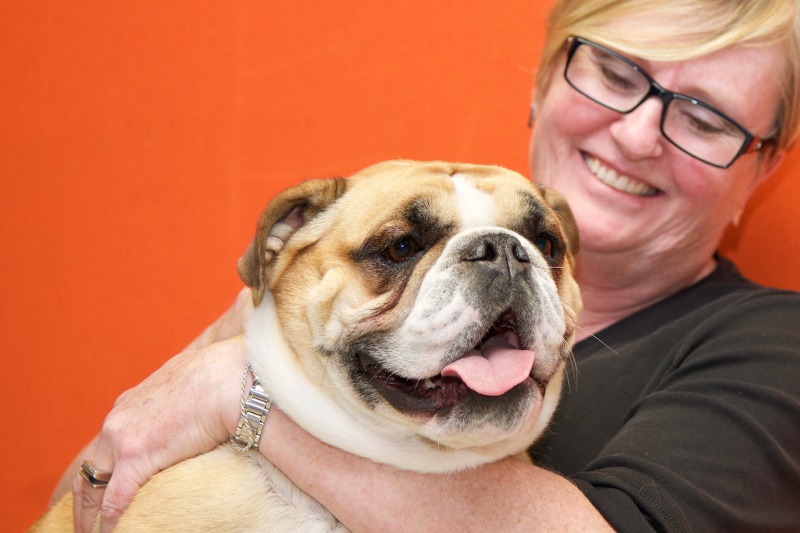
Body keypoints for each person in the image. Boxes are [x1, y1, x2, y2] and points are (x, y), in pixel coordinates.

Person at [56, 0, 800, 531]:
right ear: (540, 87)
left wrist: (242, 394)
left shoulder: (773, 347)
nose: (639, 135)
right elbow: (93, 492)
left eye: (706, 118)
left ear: (759, 173)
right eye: (612, 72)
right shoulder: (322, 261)